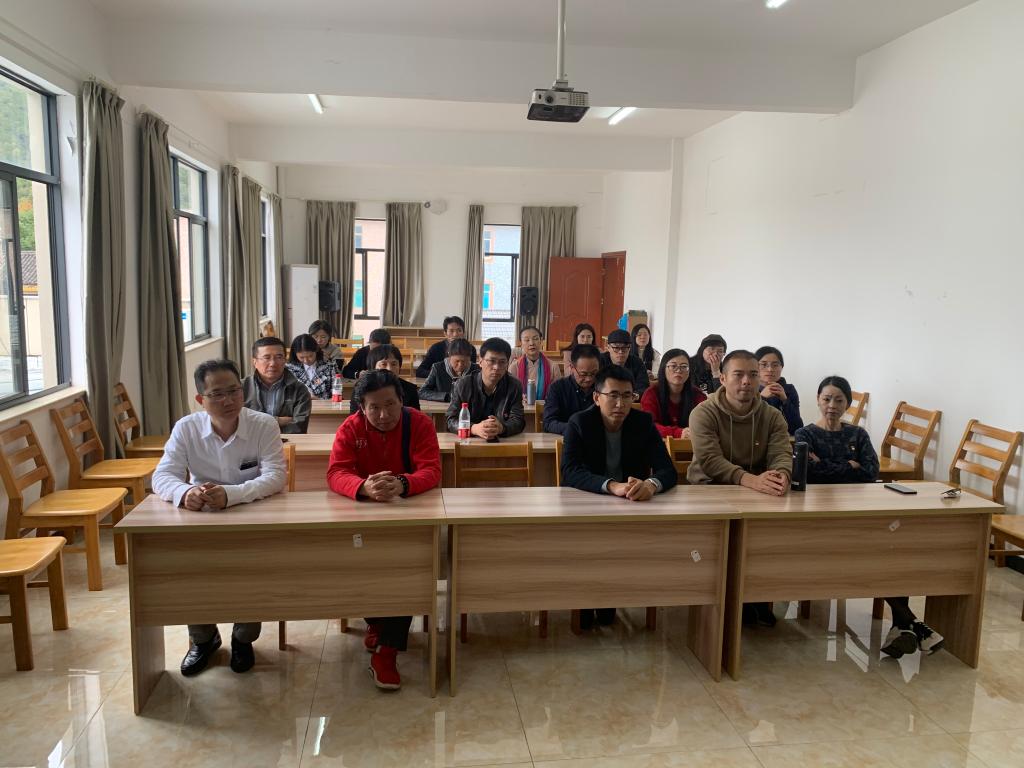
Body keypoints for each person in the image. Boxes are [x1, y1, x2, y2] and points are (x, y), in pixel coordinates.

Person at [152, 359, 287, 677]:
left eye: (234, 391)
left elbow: (276, 476)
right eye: (217, 394)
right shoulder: (186, 428)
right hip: (202, 518)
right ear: (201, 399)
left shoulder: (263, 425)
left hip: (252, 515)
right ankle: (204, 639)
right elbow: (162, 476)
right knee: (190, 571)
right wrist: (185, 492)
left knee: (251, 571)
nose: (228, 400)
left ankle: (243, 639)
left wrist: (232, 494)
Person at [794, 376, 944, 659]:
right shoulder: (805, 434)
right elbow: (809, 473)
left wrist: (829, 465)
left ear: (848, 404)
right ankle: (910, 624)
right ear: (817, 400)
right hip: (820, 515)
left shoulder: (858, 434)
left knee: (889, 551)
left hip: (859, 511)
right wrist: (849, 466)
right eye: (827, 399)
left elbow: (871, 471)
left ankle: (903, 627)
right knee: (873, 554)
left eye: (839, 400)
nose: (832, 405)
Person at [326, 370, 442, 690]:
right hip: (363, 515)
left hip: (408, 514)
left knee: (411, 567)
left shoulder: (419, 423)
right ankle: (377, 621)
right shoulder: (351, 427)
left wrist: (403, 483)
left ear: (402, 401)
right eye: (374, 408)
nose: (383, 415)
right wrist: (363, 487)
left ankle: (387, 649)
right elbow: (336, 472)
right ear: (361, 408)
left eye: (390, 405)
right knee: (360, 568)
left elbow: (432, 470)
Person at [561, 364, 678, 629]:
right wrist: (611, 485)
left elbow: (667, 470)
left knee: (617, 552)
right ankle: (585, 603)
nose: (620, 403)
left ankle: (610, 599)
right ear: (596, 397)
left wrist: (651, 485)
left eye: (627, 396)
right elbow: (570, 471)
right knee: (591, 549)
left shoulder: (643, 423)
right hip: (587, 506)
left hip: (630, 507)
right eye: (613, 395)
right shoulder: (579, 423)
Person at [688, 349, 793, 627]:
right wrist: (752, 480)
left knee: (770, 540)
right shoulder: (703, 412)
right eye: (738, 375)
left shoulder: (772, 416)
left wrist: (781, 475)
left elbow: (782, 453)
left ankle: (756, 596)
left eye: (753, 375)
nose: (747, 381)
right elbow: (710, 461)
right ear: (722, 378)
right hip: (709, 491)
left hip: (756, 495)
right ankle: (724, 601)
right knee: (722, 543)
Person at [445, 337, 525, 438]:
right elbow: (451, 420)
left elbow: (518, 420)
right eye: (491, 361)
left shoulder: (514, 385)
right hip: (470, 442)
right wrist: (473, 428)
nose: (496, 367)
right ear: (480, 361)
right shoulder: (463, 384)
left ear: (507, 363)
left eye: (502, 362)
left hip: (501, 442)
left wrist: (502, 427)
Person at [242, 337, 311, 434]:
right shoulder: (241, 387)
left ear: (285, 360)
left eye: (279, 357)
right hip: (248, 442)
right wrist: (278, 420)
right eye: (266, 358)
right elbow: (236, 422)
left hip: (285, 442)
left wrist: (257, 423)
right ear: (255, 362)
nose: (273, 363)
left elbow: (299, 427)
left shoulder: (299, 390)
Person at [640, 348, 706, 438]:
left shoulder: (698, 394)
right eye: (673, 366)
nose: (678, 370)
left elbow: (706, 422)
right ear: (663, 368)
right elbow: (648, 425)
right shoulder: (651, 393)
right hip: (658, 443)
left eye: (684, 366)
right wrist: (679, 432)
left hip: (691, 444)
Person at [543, 343, 601, 435]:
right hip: (565, 439)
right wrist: (575, 428)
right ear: (572, 368)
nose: (589, 379)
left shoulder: (604, 387)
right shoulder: (557, 388)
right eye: (583, 374)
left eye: (594, 373)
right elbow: (548, 423)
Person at [349, 344, 421, 412]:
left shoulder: (410, 390)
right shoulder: (361, 388)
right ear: (373, 367)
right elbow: (355, 418)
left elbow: (415, 418)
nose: (389, 369)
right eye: (383, 364)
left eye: (394, 364)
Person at [755, 345, 803, 435]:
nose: (770, 369)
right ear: (754, 367)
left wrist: (785, 400)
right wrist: (761, 398)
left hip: (784, 440)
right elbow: (748, 424)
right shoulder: (748, 389)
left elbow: (797, 428)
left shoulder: (789, 390)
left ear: (782, 367)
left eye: (775, 365)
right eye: (764, 365)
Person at [509, 325, 561, 400]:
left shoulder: (553, 366)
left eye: (535, 339)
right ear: (521, 343)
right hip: (520, 406)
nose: (531, 343)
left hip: (546, 406)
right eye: (527, 340)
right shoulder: (514, 367)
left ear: (541, 341)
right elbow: (510, 394)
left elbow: (558, 394)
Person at [418, 338, 477, 402]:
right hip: (441, 407)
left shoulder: (476, 370)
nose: (460, 365)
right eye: (457, 361)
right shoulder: (438, 368)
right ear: (449, 356)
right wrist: (446, 396)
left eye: (464, 361)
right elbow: (421, 392)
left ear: (470, 358)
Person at [599, 329, 650, 396]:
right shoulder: (599, 361)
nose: (620, 352)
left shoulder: (637, 363)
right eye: (616, 348)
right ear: (608, 347)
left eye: (624, 348)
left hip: (630, 399)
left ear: (629, 348)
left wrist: (631, 396)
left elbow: (643, 386)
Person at [286, 333, 335, 400]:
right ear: (295, 354)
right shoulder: (289, 369)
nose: (306, 361)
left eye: (310, 356)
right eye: (301, 357)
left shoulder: (329, 367)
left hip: (324, 405)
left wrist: (319, 400)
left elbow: (336, 394)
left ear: (316, 350)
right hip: (297, 405)